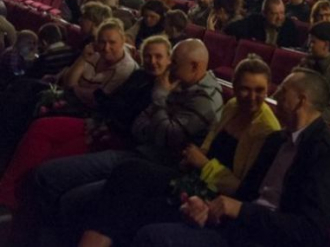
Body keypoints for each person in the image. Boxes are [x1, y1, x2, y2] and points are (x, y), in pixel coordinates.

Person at [24, 40, 223, 246]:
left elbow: (167, 136)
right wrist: (159, 120)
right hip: (137, 151)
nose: (170, 66)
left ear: (195, 66)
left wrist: (160, 98)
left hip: (152, 164)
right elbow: (140, 124)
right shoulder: (180, 82)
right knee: (48, 176)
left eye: (175, 62)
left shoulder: (202, 98)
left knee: (69, 198)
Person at [131, 68, 330, 247]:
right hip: (242, 227)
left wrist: (240, 211)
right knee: (147, 212)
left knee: (153, 238)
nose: (273, 96)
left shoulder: (328, 151)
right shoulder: (276, 140)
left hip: (267, 239)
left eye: (283, 91)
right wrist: (210, 209)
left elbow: (310, 231)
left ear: (300, 101)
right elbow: (247, 194)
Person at [0, 36, 171, 213]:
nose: (153, 61)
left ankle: (20, 203)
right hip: (99, 121)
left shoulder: (167, 88)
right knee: (41, 127)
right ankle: (6, 192)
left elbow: (145, 126)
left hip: (117, 138)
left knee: (54, 155)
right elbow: (113, 102)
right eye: (149, 56)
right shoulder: (139, 76)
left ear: (169, 59)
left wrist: (106, 124)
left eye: (158, 57)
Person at [59, 19, 138, 108]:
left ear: (123, 41)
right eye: (102, 42)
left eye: (112, 42)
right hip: (70, 101)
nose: (106, 48)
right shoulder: (94, 53)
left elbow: (97, 100)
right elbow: (68, 82)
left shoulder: (126, 67)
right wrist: (83, 58)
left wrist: (74, 89)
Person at [225, 0, 299, 48]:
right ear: (264, 13)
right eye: (274, 14)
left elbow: (293, 48)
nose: (279, 17)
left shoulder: (289, 25)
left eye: (282, 13)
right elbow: (230, 28)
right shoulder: (255, 20)